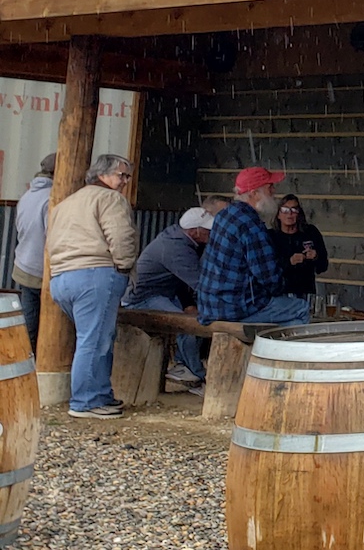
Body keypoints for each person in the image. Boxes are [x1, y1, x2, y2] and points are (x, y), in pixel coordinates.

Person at [44, 154, 140, 418]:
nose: (125, 181)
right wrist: (124, 267)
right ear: (102, 175)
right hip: (95, 274)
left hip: (61, 277)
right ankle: (85, 401)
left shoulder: (66, 203)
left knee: (94, 337)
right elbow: (121, 236)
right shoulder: (110, 199)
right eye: (121, 175)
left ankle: (100, 394)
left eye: (127, 176)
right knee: (94, 340)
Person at [198, 167, 310, 329]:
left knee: (283, 315)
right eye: (269, 187)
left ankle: (264, 343)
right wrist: (282, 287)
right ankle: (273, 346)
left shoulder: (224, 215)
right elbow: (268, 276)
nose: (274, 191)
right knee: (301, 308)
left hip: (210, 305)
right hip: (236, 307)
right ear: (254, 193)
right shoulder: (250, 224)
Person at [126, 206, 216, 393]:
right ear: (194, 231)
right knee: (189, 326)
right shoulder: (177, 249)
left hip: (162, 293)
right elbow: (201, 283)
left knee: (194, 318)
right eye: (207, 229)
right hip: (142, 298)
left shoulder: (178, 238)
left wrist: (188, 304)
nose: (212, 232)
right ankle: (196, 375)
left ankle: (185, 366)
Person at [9, 151, 56, 353]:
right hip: (43, 271)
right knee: (51, 326)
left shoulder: (28, 195)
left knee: (29, 321)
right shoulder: (52, 199)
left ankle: (24, 361)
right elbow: (54, 237)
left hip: (24, 264)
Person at [270, 195, 330, 300]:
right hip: (279, 295)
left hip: (306, 293)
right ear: (278, 214)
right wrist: (289, 262)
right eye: (285, 210)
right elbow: (267, 268)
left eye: (294, 210)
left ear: (299, 213)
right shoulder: (271, 236)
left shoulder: (310, 232)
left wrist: (316, 256)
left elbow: (323, 266)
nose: (289, 214)